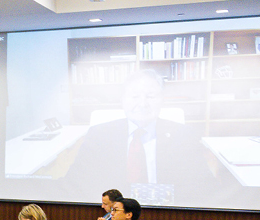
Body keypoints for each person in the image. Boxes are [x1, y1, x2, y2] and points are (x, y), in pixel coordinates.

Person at [66, 70, 214, 204]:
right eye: (135, 96)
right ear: (123, 99)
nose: (142, 103)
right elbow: (76, 182)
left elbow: (202, 186)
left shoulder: (184, 136)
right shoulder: (98, 135)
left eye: (150, 96)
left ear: (162, 99)